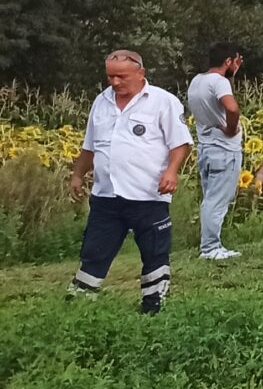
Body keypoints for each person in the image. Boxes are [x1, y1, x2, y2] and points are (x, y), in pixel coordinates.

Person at [70, 50, 192, 314]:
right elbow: (89, 147)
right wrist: (78, 174)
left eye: (121, 76)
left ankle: (153, 308)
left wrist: (172, 171)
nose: (115, 82)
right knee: (94, 251)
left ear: (141, 73)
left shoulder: (163, 102)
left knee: (154, 253)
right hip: (106, 196)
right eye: (110, 76)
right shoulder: (101, 102)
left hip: (148, 195)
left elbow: (181, 144)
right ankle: (77, 308)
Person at [186, 43, 247, 261]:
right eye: (236, 61)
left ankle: (210, 245)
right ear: (228, 61)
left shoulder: (197, 81)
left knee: (210, 197)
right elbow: (231, 108)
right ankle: (211, 248)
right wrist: (231, 129)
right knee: (218, 200)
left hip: (206, 147)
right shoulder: (220, 82)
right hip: (224, 149)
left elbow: (210, 105)